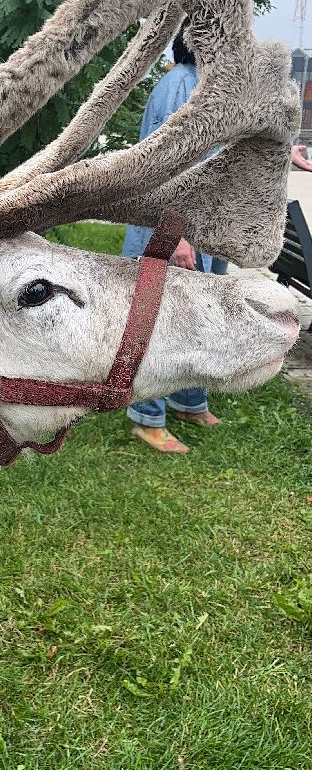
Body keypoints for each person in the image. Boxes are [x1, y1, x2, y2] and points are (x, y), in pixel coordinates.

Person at [122, 27, 225, 454]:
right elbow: (160, 169)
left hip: (205, 227)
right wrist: (174, 234)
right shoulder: (180, 85)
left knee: (200, 315)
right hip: (172, 228)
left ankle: (188, 400)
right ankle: (147, 417)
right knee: (160, 320)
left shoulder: (206, 84)